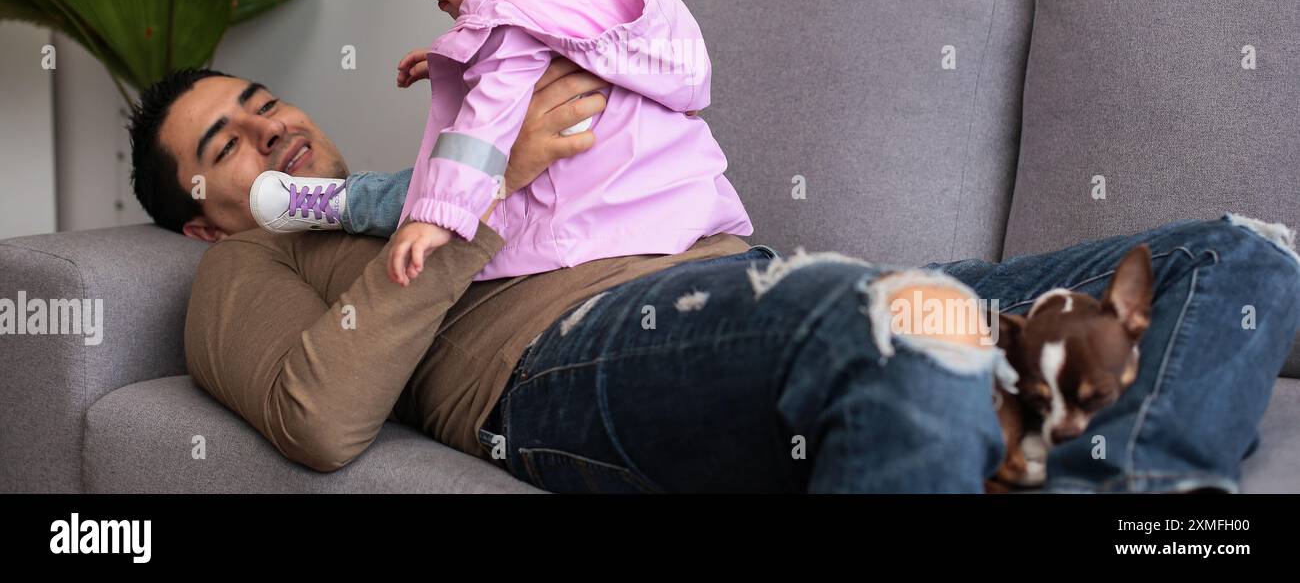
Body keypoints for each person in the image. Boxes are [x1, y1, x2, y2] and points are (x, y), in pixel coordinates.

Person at [129, 63, 1300, 492]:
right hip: (564, 351)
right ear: (196, 219)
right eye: (222, 144)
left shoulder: (425, 155)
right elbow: (323, 418)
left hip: (766, 281)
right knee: (894, 324)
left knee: (1240, 254)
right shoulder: (242, 273)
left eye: (259, 100)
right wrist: (474, 197)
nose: (267, 129)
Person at [246, 0, 752, 290]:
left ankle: (343, 204)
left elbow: (482, 131)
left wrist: (434, 218)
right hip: (684, 216)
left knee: (428, 184)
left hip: (598, 237)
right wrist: (464, 57)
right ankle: (349, 201)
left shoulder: (510, 21)